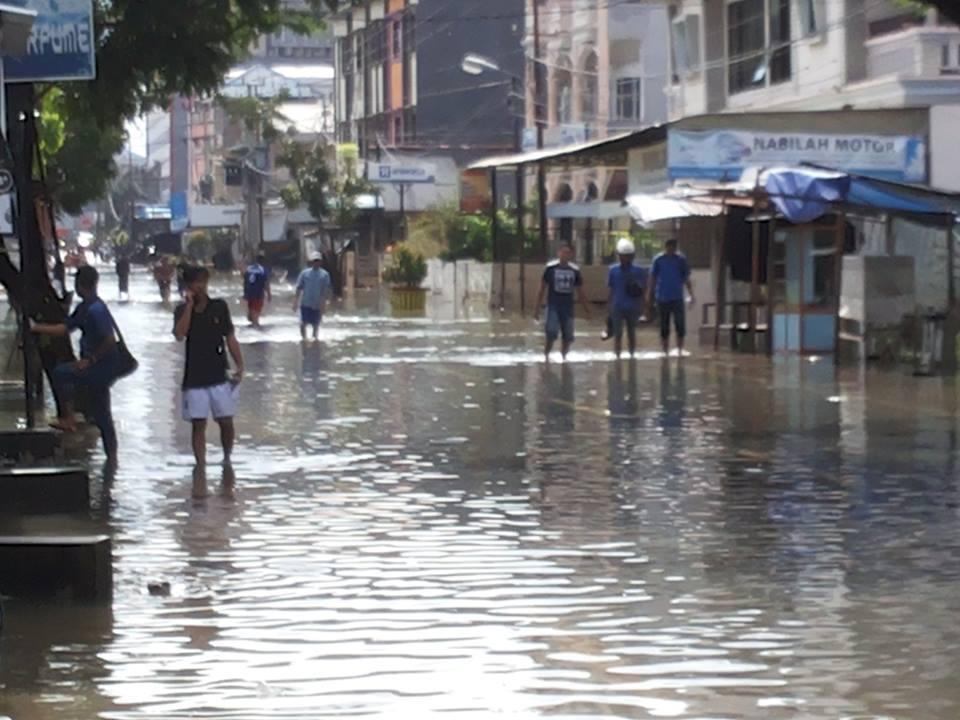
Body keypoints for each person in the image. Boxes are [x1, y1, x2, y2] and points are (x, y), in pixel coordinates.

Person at [31, 266, 122, 465]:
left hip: (101, 367)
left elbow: (109, 339)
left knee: (62, 373)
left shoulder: (95, 309)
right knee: (101, 411)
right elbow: (65, 329)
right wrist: (37, 328)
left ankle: (69, 418)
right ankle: (112, 458)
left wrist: (90, 360)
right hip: (101, 366)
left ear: (80, 285)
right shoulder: (87, 306)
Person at [174, 266, 244, 470]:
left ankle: (227, 459)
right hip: (194, 378)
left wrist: (240, 364)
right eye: (197, 282)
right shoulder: (181, 310)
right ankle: (201, 466)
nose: (202, 286)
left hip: (219, 375)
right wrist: (188, 307)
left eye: (204, 281)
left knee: (226, 421)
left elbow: (230, 337)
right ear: (188, 286)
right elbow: (180, 334)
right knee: (198, 424)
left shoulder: (219, 306)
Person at [534, 244, 591, 361]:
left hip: (568, 307)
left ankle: (564, 358)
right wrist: (536, 309)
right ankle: (546, 356)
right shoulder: (550, 268)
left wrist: (587, 309)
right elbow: (542, 288)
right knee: (551, 331)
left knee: (568, 335)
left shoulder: (575, 270)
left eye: (568, 252)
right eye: (563, 252)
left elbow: (580, 291)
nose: (565, 255)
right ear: (558, 253)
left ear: (571, 254)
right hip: (553, 305)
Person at [647, 238, 695, 356]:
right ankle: (665, 350)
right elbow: (652, 278)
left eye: (673, 248)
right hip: (662, 297)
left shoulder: (680, 260)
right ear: (666, 247)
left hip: (677, 297)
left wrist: (691, 293)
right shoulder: (658, 260)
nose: (671, 250)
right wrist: (649, 294)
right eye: (669, 247)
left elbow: (686, 278)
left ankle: (679, 349)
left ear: (675, 248)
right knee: (664, 325)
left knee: (680, 324)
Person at [607, 238, 648, 359]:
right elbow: (611, 289)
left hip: (633, 306)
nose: (625, 258)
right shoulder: (613, 271)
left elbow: (644, 289)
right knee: (618, 333)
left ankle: (631, 355)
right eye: (623, 256)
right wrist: (609, 306)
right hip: (617, 306)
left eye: (628, 256)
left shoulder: (639, 271)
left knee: (631, 332)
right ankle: (618, 356)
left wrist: (645, 306)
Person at [292, 252, 331, 341]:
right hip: (305, 303)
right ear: (311, 262)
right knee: (302, 323)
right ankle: (304, 340)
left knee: (315, 325)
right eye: (314, 261)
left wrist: (325, 304)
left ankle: (314, 341)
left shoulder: (325, 275)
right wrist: (295, 302)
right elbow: (299, 288)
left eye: (318, 261)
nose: (316, 263)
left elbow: (326, 291)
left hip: (317, 304)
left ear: (321, 262)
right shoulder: (304, 273)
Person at [243, 253, 272, 328]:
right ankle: (255, 326)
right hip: (258, 293)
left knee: (252, 308)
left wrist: (245, 293)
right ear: (263, 261)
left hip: (249, 293)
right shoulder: (263, 270)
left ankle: (253, 323)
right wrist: (269, 294)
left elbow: (245, 281)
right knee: (256, 310)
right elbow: (266, 283)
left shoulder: (249, 269)